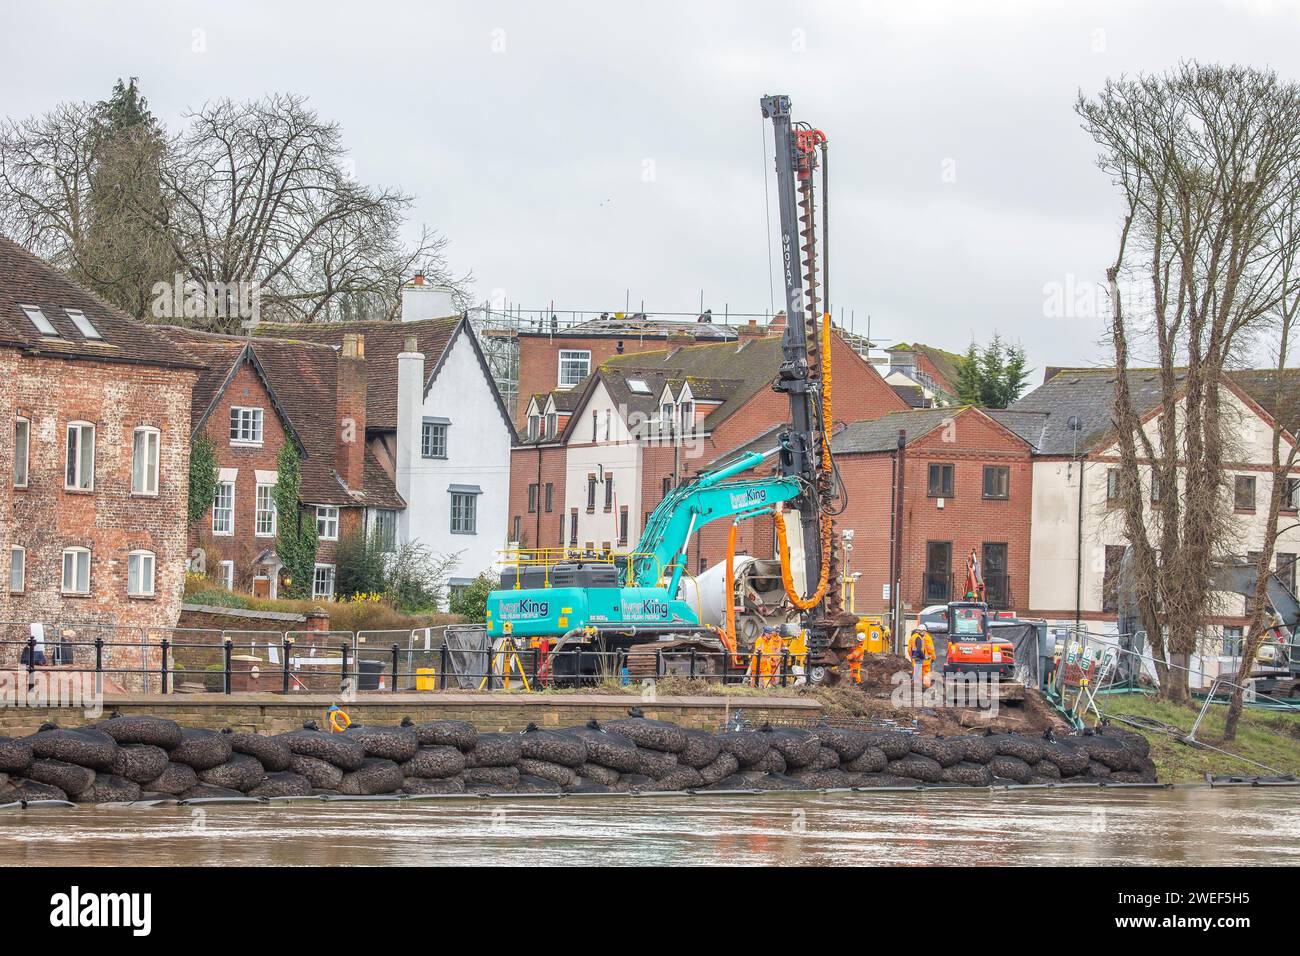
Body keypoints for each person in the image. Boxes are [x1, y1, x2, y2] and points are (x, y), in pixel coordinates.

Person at [908, 623, 936, 689]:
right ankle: (926, 687)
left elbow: (909, 649)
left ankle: (916, 686)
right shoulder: (926, 637)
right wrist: (933, 657)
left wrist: (912, 657)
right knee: (926, 673)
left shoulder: (913, 637)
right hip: (925, 659)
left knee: (917, 672)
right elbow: (930, 649)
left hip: (916, 658)